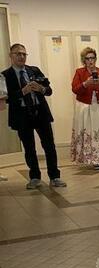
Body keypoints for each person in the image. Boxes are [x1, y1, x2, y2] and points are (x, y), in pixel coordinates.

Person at [1, 43, 66, 189]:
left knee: (49, 145)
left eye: (24, 54)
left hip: (40, 112)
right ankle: (35, 177)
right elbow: (6, 99)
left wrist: (41, 88)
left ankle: (55, 176)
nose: (21, 56)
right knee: (29, 147)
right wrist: (22, 92)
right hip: (22, 115)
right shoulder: (5, 75)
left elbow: (49, 90)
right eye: (18, 54)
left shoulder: (34, 70)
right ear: (11, 56)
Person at [71, 47, 99, 170]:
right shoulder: (79, 72)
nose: (90, 61)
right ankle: (86, 158)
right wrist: (85, 84)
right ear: (84, 60)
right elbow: (74, 89)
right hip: (85, 106)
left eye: (92, 58)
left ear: (95, 59)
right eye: (87, 58)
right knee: (87, 131)